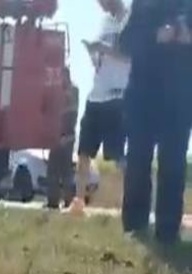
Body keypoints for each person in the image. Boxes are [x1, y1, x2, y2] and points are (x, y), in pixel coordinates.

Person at [118, 0, 192, 243]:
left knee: (173, 165)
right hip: (143, 96)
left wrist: (187, 36)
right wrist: (155, 36)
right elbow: (124, 42)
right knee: (138, 160)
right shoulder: (143, 4)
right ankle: (134, 225)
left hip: (180, 99)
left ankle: (168, 231)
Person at [69, 0, 131, 216]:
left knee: (117, 154)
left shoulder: (129, 18)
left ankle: (130, 200)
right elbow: (101, 56)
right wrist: (93, 52)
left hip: (117, 95)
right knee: (84, 151)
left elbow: (130, 57)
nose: (103, 6)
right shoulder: (104, 22)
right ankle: (78, 201)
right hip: (96, 94)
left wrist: (103, 48)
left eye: (105, 2)